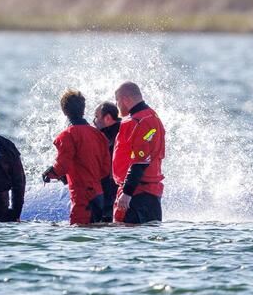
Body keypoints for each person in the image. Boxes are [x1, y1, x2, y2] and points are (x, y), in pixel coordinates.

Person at [42, 90, 112, 224]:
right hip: (98, 195)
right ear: (83, 110)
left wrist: (50, 173)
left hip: (82, 197)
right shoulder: (98, 135)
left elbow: (62, 166)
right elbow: (105, 169)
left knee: (78, 236)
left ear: (64, 112)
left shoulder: (67, 135)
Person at [112, 82, 166, 224]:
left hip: (138, 194)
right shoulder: (153, 116)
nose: (117, 106)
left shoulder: (138, 121)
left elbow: (140, 161)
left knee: (127, 241)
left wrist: (127, 193)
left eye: (117, 101)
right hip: (149, 193)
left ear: (126, 99)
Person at [94, 100, 121, 202]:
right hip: (124, 190)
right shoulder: (125, 129)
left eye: (96, 117)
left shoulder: (107, 138)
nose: (94, 121)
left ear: (108, 118)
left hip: (113, 190)